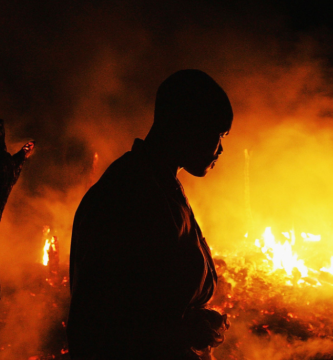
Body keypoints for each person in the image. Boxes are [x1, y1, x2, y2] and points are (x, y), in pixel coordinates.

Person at [67, 69, 233, 360]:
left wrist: (193, 321)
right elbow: (112, 322)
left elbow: (154, 297)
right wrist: (187, 330)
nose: (220, 149)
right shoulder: (132, 194)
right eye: (217, 134)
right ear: (186, 125)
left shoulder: (158, 184)